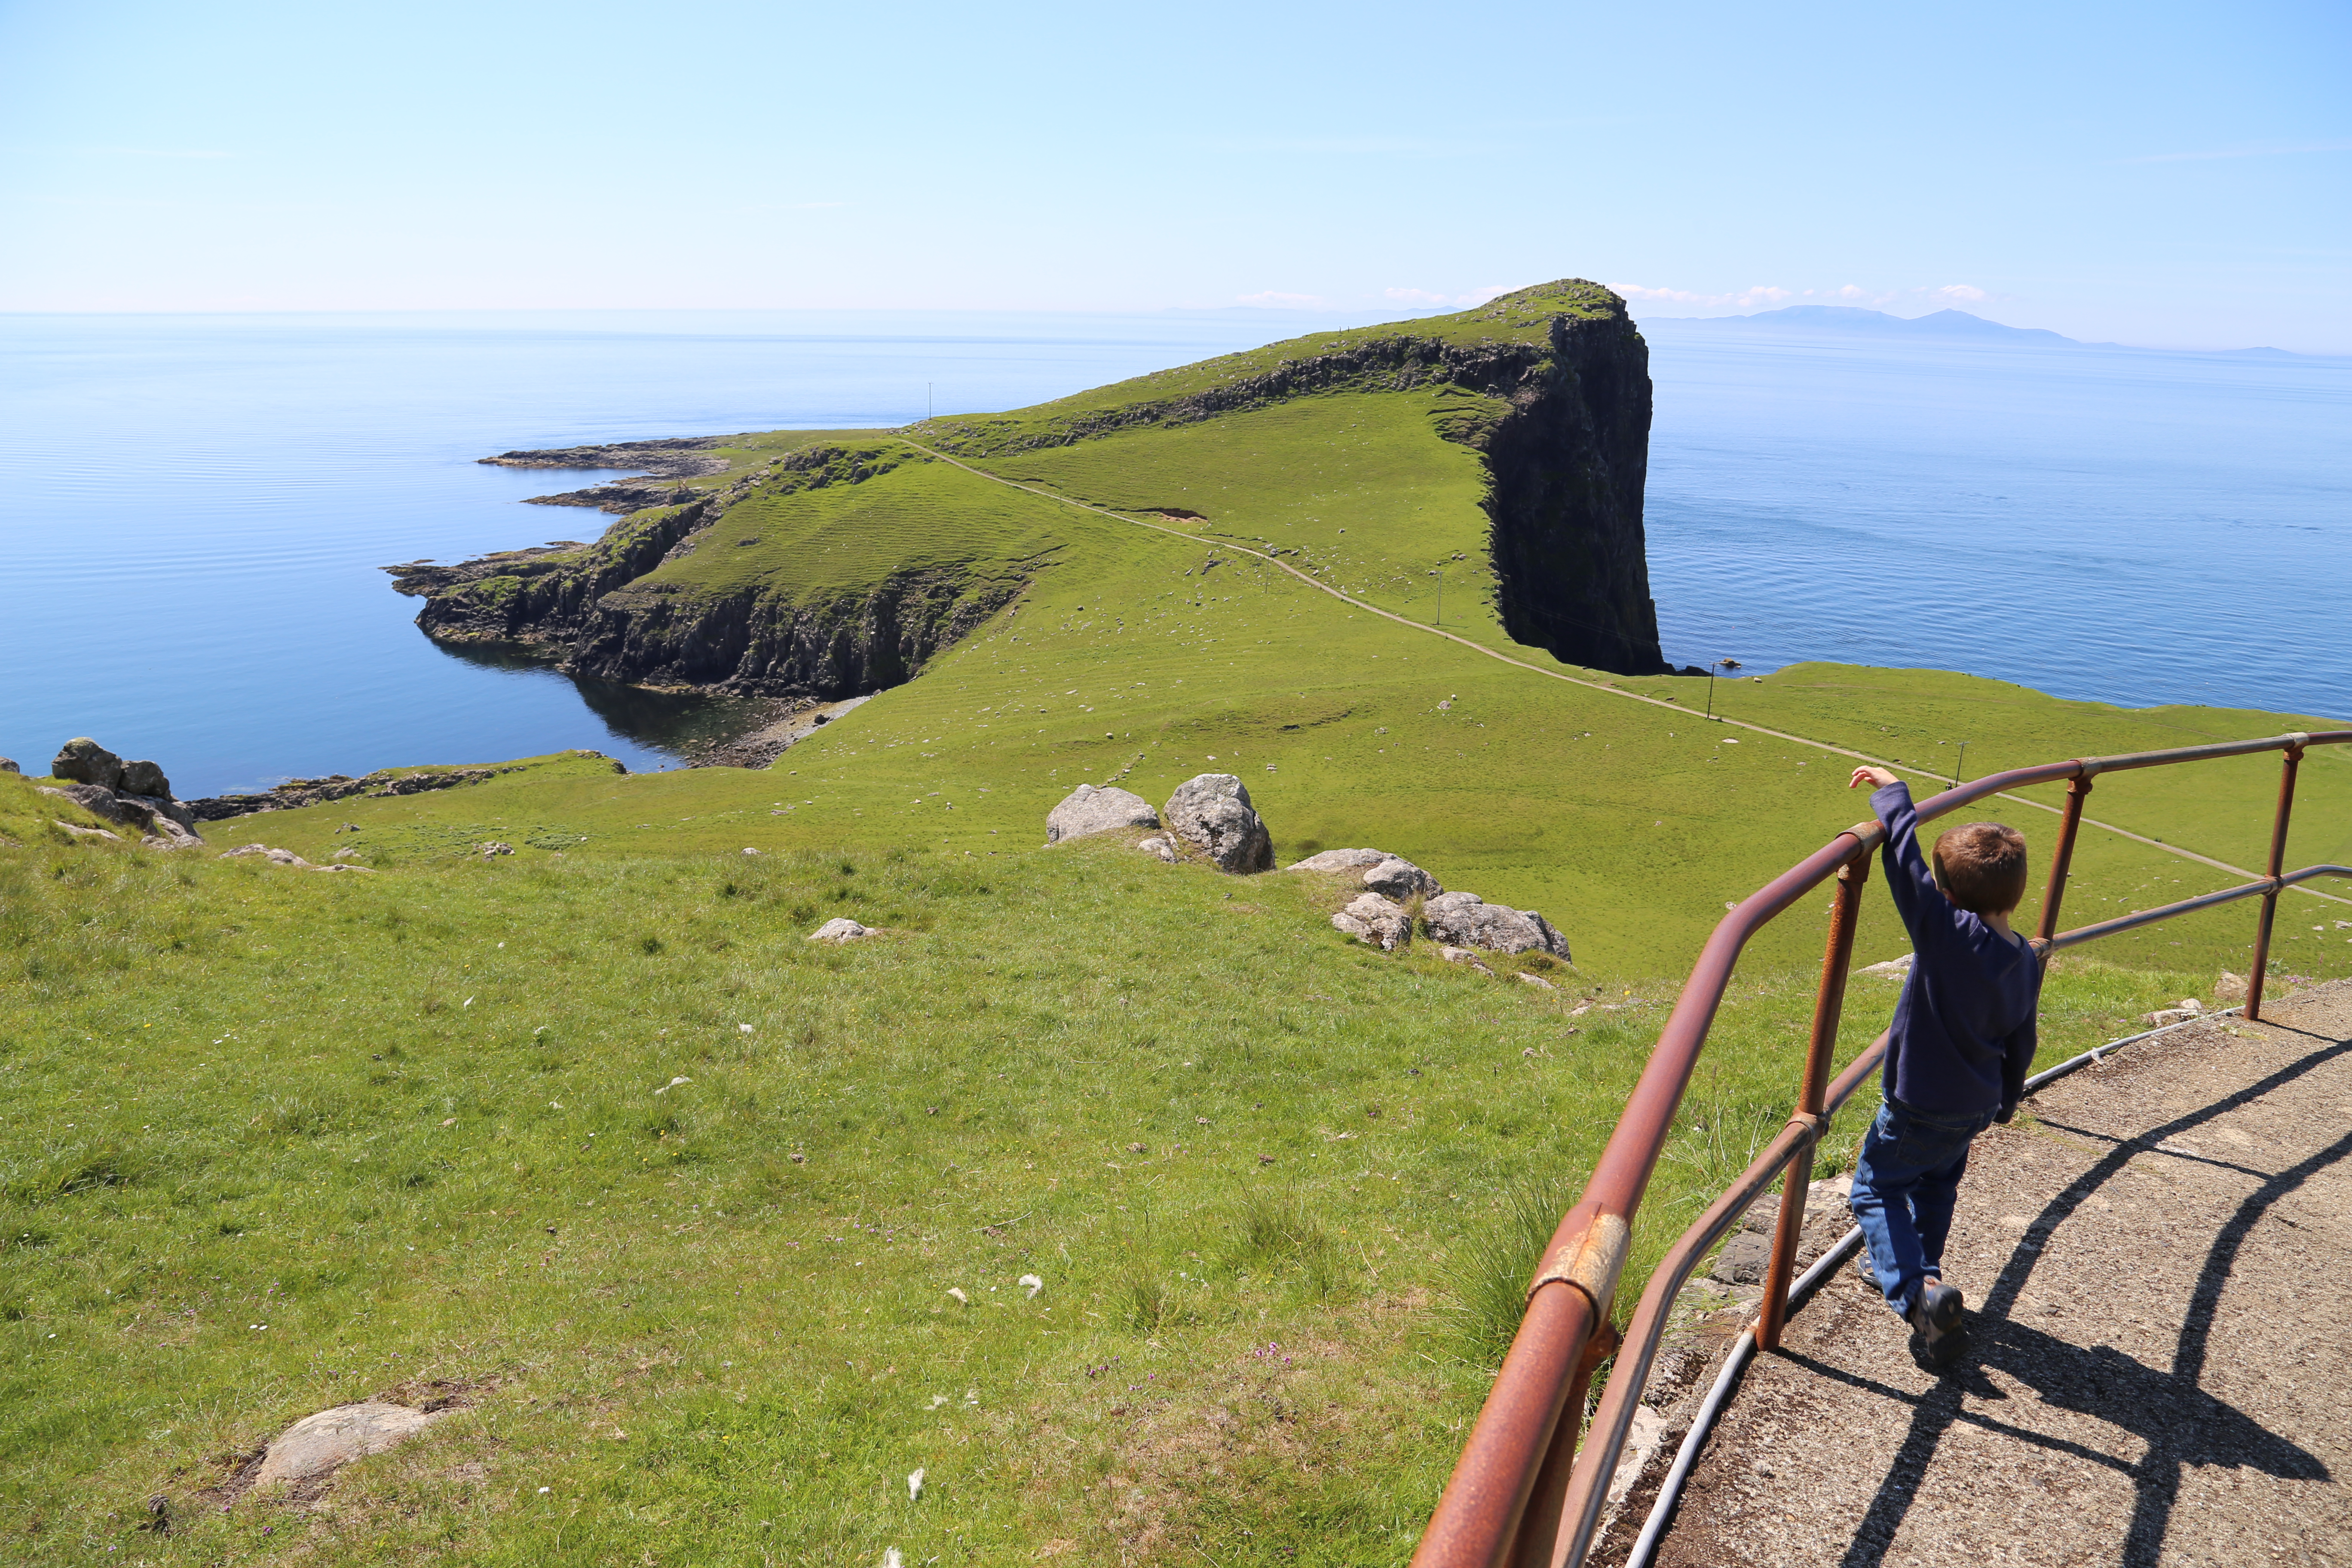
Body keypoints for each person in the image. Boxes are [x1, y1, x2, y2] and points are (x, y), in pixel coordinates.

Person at [1844, 765, 2042, 1369]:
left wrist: (1892, 792)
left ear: (1949, 897)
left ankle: (1916, 1298)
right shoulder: (2027, 960)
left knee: (1875, 1190)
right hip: (1975, 1104)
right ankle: (1926, 1277)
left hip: (1918, 1104)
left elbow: (1905, 862)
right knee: (1935, 1187)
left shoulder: (1945, 933)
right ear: (2016, 893)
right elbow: (2024, 1041)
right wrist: (2008, 1100)